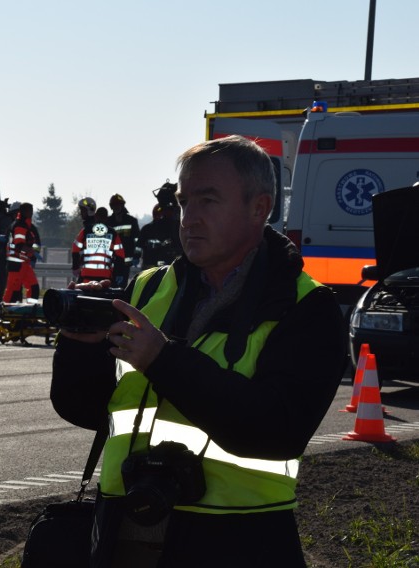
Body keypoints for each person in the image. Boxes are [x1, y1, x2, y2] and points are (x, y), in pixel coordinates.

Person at [51, 135, 346, 567]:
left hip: (237, 541)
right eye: (185, 202)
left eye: (208, 201)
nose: (189, 218)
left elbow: (277, 431)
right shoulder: (149, 287)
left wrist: (163, 359)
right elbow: (86, 409)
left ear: (259, 209)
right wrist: (79, 348)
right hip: (125, 530)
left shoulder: (306, 306)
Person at [71, 199, 125, 284]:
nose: (81, 213)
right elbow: (120, 255)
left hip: (86, 275)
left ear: (96, 216)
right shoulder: (113, 233)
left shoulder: (86, 230)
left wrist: (75, 267)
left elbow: (75, 248)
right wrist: (119, 273)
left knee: (83, 296)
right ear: (106, 218)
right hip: (106, 277)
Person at [2, 202, 41, 303]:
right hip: (16, 263)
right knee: (13, 290)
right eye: (30, 211)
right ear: (24, 211)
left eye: (32, 210)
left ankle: (31, 309)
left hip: (24, 263)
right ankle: (6, 310)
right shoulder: (20, 226)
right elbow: (19, 244)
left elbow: (35, 242)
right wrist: (32, 252)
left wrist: (33, 256)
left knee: (34, 287)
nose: (31, 213)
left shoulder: (27, 226)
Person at [138, 201, 182, 270]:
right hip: (151, 265)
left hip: (167, 265)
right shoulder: (147, 229)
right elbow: (139, 244)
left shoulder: (174, 229)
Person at [108, 193, 141, 287]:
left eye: (118, 204)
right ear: (111, 207)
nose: (116, 207)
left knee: (121, 287)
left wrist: (137, 256)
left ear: (122, 205)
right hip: (112, 261)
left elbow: (137, 240)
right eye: (114, 205)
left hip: (126, 261)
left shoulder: (131, 221)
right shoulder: (108, 222)